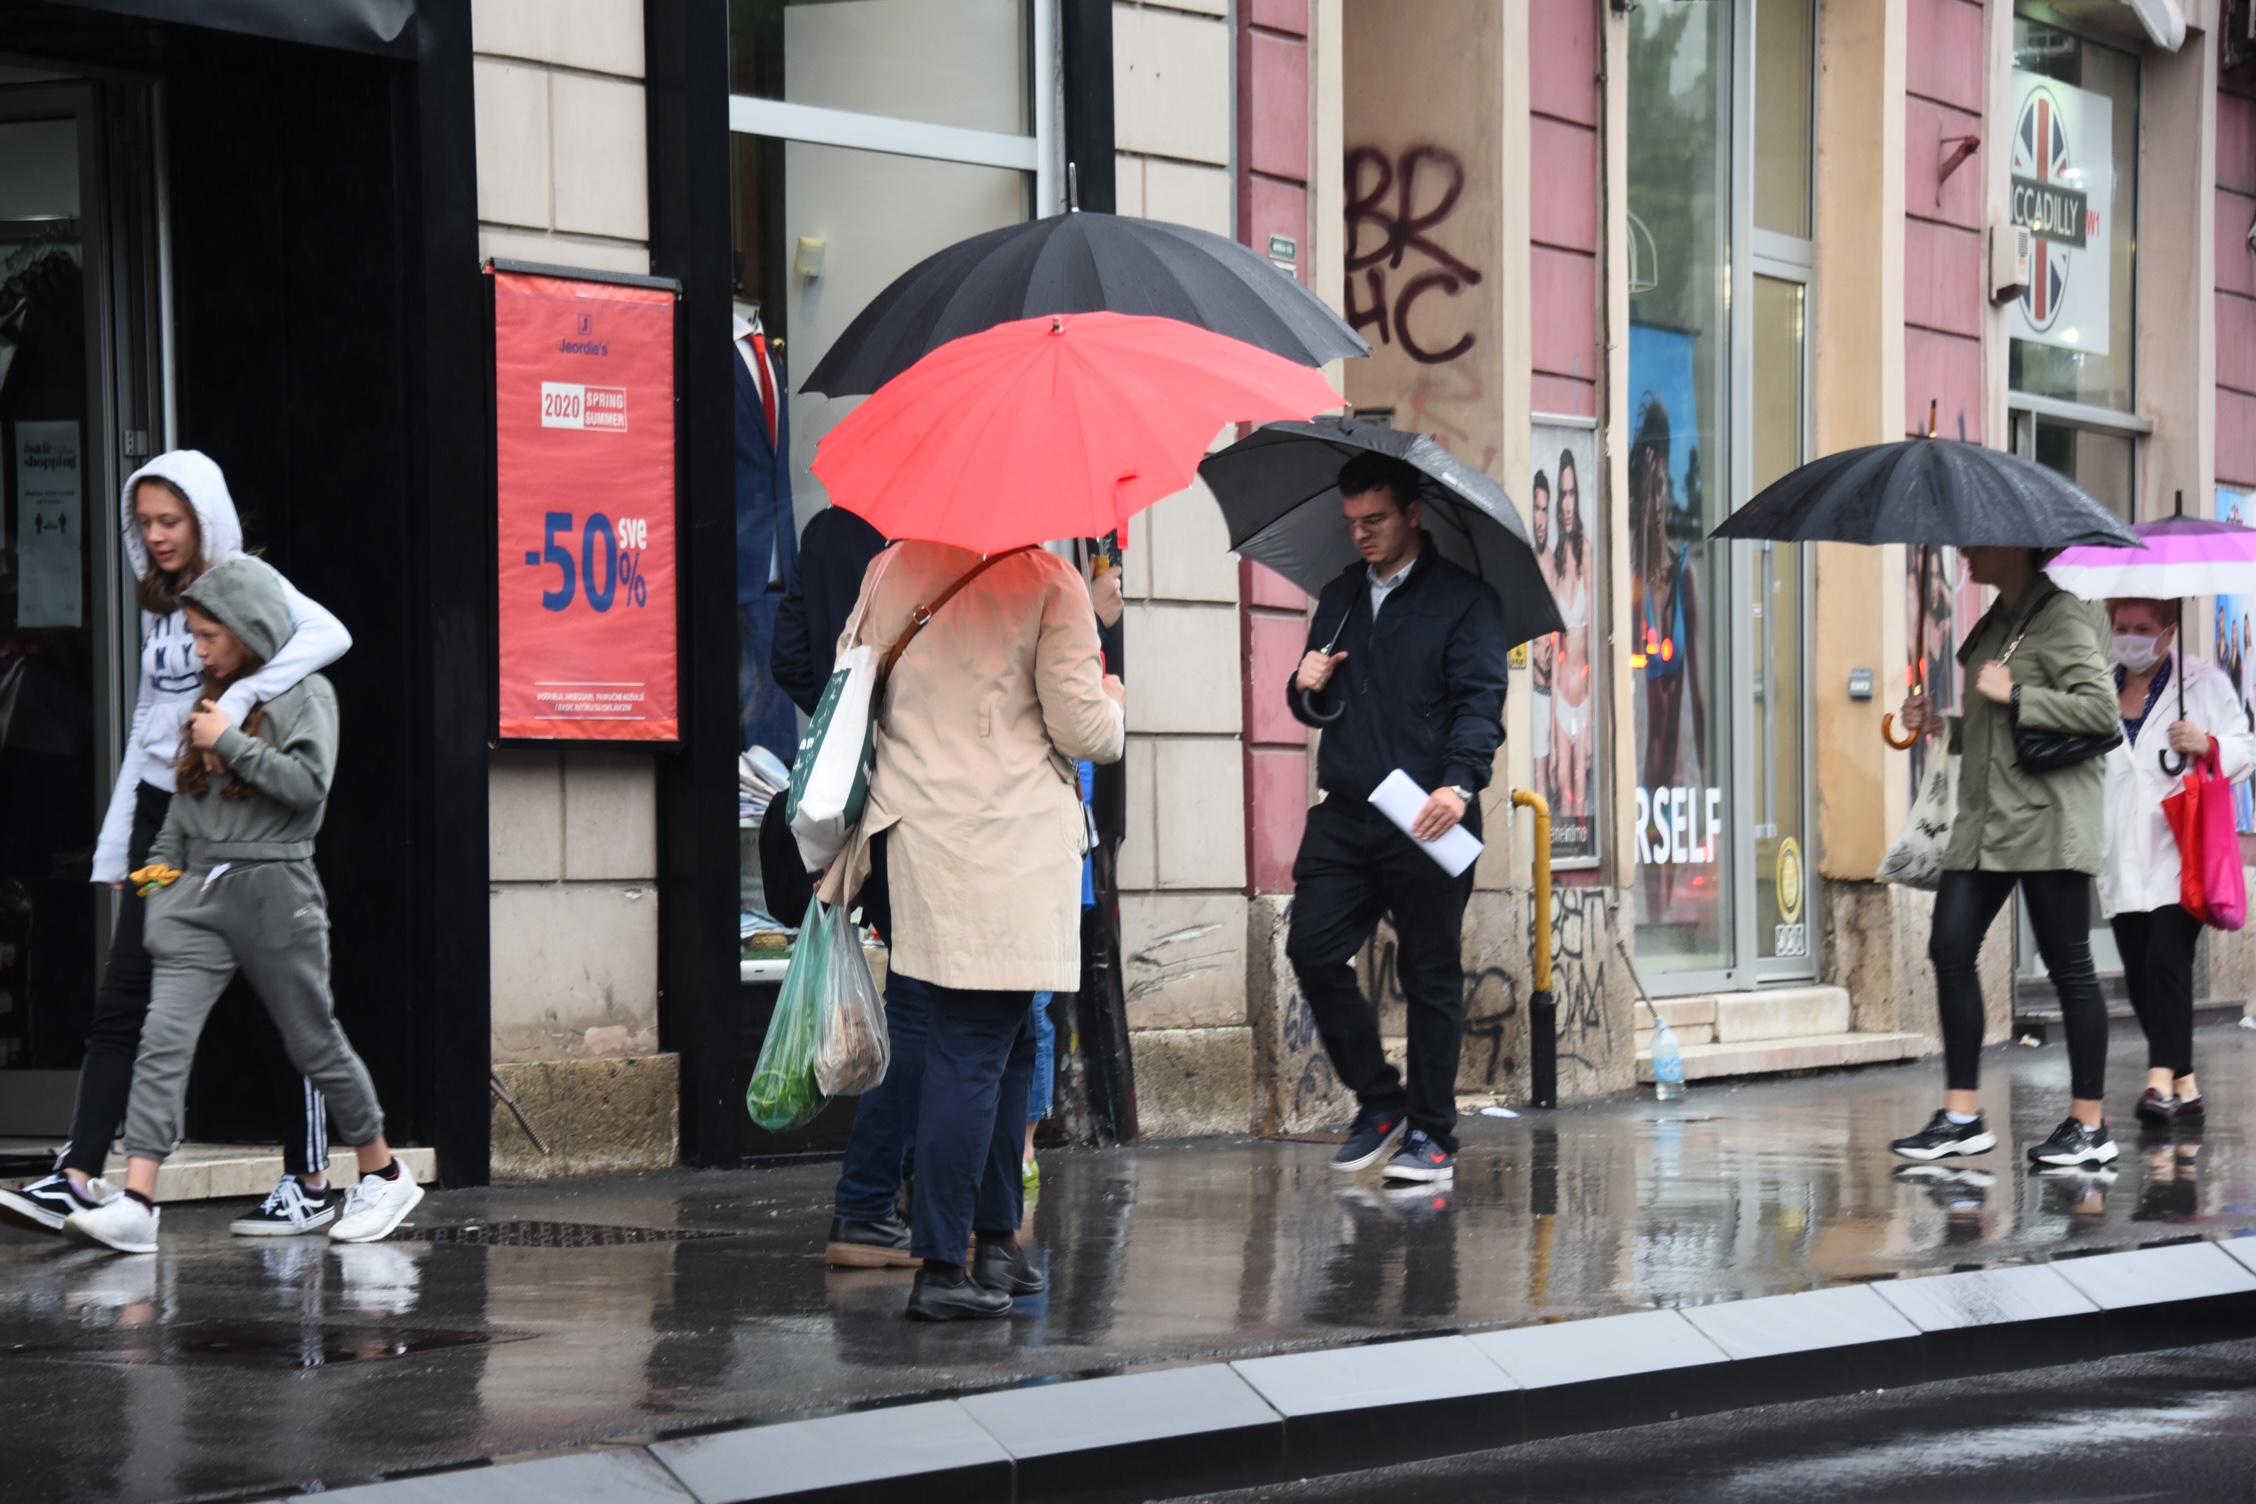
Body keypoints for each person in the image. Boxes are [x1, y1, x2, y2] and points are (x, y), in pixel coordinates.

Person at [0, 451, 349, 1241]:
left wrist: (241, 698)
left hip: (240, 811)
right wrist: (116, 847)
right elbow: (145, 732)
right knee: (124, 991)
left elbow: (331, 632)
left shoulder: (246, 585)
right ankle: (79, 1174)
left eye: (171, 520)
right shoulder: (165, 607)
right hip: (170, 817)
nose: (157, 536)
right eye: (146, 522)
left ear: (204, 519)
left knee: (279, 999)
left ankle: (312, 1179)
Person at [60, 556, 421, 1254]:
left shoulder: (305, 694)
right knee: (163, 1042)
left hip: (277, 888)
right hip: (198, 894)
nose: (197, 650)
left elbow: (309, 785)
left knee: (312, 1039)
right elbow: (179, 808)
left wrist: (227, 740)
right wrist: (158, 890)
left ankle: (384, 1171)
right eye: (192, 635)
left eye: (206, 636)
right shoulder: (210, 697)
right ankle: (138, 1198)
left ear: (248, 630)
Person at [819, 541, 1125, 1320]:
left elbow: (849, 675)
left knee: (1007, 1039)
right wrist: (1112, 698)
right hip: (1005, 847)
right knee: (976, 1049)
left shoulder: (890, 567)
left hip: (913, 836)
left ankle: (997, 1245)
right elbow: (1085, 729)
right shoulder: (1050, 579)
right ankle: (944, 1264)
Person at [1284, 452, 1509, 1186]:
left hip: (1427, 814)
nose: (1361, 534)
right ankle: (1379, 1101)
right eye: (1351, 523)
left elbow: (1479, 703)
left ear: (1413, 514)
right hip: (1348, 809)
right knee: (1313, 951)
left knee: (1429, 973)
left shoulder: (1465, 601)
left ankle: (1432, 1137)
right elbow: (1321, 702)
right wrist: (1304, 687)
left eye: (1374, 520)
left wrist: (1459, 783)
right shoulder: (1341, 596)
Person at [1890, 547, 2120, 1168]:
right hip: (1988, 821)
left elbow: (2101, 711)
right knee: (1950, 947)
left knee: (2070, 966)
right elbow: (1994, 725)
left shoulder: (2064, 618)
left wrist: (2019, 692)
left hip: (2047, 820)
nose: (1964, 551)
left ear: (2015, 545)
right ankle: (1963, 1116)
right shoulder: (1993, 623)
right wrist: (1942, 725)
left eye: (1977, 540)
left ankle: (2090, 1127)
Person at [2098, 598, 2254, 1126]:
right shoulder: (2099, 686)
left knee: (2168, 961)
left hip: (2179, 850)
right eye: (2121, 627)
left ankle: (2158, 1081)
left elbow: (2246, 747)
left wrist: (2206, 743)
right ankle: (2185, 1084)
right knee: (2141, 975)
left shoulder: (2202, 681)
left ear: (2167, 632)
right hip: (2120, 852)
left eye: (2142, 628)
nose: (2130, 637)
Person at [1550, 448, 1592, 823]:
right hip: (1561, 697)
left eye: (1571, 493)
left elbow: (1593, 635)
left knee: (1581, 786)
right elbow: (1551, 644)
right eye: (1561, 495)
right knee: (1563, 784)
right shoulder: (1553, 562)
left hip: (1584, 697)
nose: (1566, 504)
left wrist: (1592, 722)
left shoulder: (1587, 552)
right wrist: (1551, 730)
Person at [1528, 469, 1554, 802]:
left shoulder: (1555, 561)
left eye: (1545, 509)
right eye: (1536, 508)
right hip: (1533, 685)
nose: (1541, 518)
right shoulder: (1529, 562)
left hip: (1552, 689)